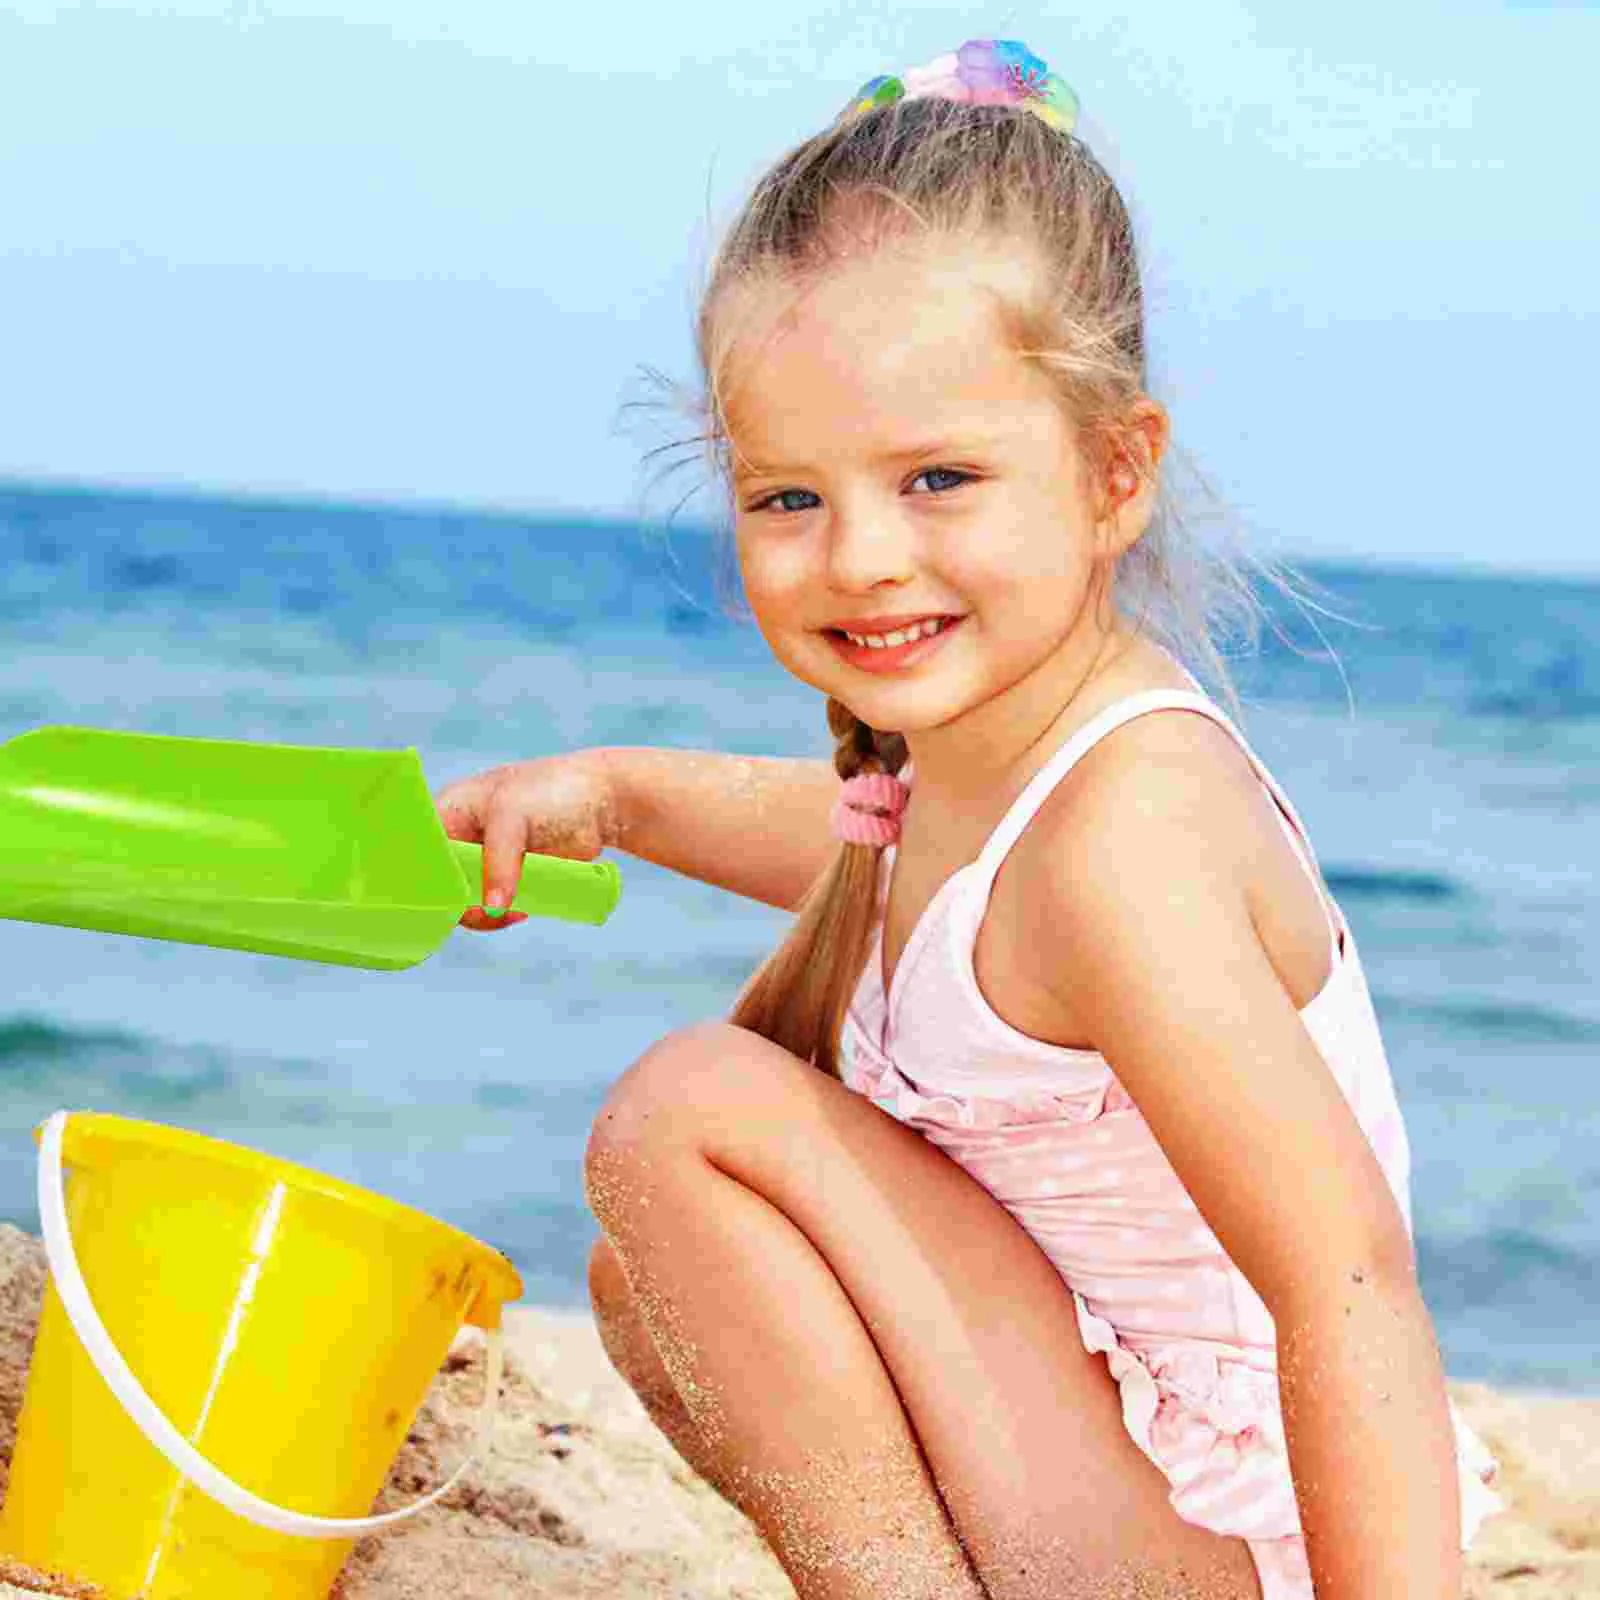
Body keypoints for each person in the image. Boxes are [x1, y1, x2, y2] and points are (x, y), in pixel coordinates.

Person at [434, 40, 1502, 1599]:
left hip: (1227, 1537)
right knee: (653, 1277)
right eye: (787, 497)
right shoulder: (989, 789)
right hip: (1107, 1482)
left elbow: (1346, 1284)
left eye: (937, 478)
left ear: (1114, 471)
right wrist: (620, 797)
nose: (859, 555)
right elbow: (891, 869)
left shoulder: (1128, 837)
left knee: (691, 1111)